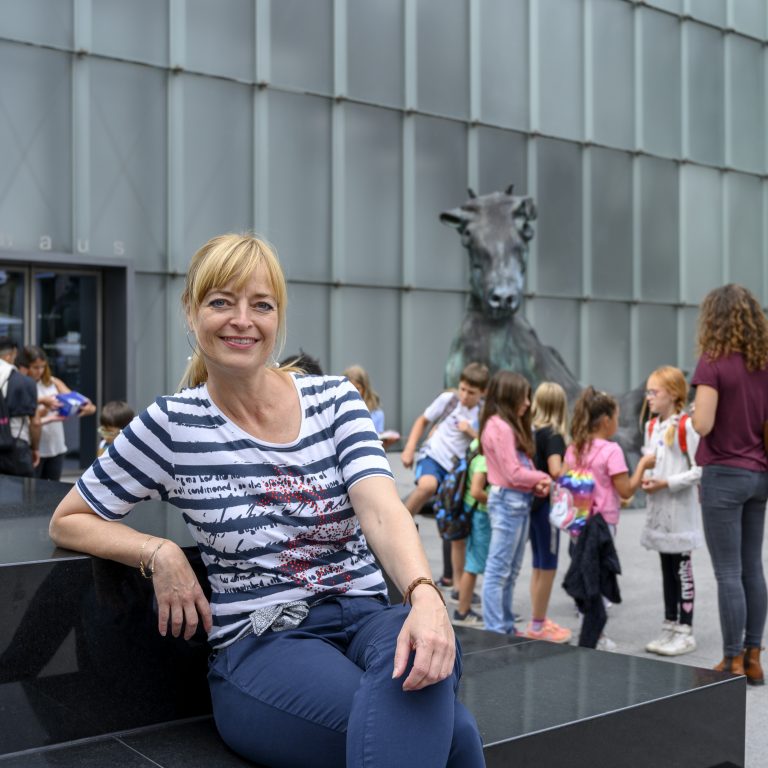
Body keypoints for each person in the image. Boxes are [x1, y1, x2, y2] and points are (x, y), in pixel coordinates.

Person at [49, 233, 484, 767]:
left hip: (370, 616)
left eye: (261, 305)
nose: (242, 320)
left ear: (279, 317)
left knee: (427, 670)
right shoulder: (172, 425)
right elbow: (69, 519)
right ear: (191, 310)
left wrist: (424, 596)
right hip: (264, 641)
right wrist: (157, 552)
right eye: (221, 302)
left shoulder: (335, 400)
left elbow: (381, 508)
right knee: (453, 732)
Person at [690, 284, 768, 683]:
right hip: (759, 474)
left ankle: (732, 660)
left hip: (723, 474)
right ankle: (754, 658)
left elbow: (703, 424)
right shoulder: (763, 363)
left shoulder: (713, 362)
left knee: (728, 572)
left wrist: (692, 413)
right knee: (753, 566)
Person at [564, 387, 654, 649]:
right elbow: (625, 489)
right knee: (600, 577)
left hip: (578, 522)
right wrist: (642, 466)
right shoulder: (611, 451)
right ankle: (596, 635)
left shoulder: (575, 448)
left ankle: (587, 625)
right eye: (616, 417)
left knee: (585, 573)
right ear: (605, 421)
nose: (618, 422)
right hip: (602, 524)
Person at [402, 363, 489, 589]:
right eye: (462, 389)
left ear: (482, 392)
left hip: (455, 471)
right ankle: (399, 522)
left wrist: (471, 431)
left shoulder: (483, 412)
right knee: (427, 486)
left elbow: (486, 442)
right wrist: (410, 448)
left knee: (454, 523)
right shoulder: (448, 400)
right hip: (433, 457)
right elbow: (423, 420)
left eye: (471, 392)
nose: (464, 396)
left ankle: (457, 583)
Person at [479, 370, 550, 635]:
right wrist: (543, 478)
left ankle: (504, 626)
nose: (528, 403)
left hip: (514, 501)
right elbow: (512, 473)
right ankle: (496, 629)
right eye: (523, 397)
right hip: (509, 502)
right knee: (499, 571)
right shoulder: (501, 427)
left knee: (508, 570)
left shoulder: (499, 425)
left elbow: (515, 472)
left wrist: (534, 483)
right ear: (508, 396)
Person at [640, 366, 702, 657]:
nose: (649, 397)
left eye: (654, 392)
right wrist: (648, 478)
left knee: (682, 569)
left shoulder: (686, 426)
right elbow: (651, 460)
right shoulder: (651, 426)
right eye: (648, 392)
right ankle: (670, 623)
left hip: (680, 513)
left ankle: (685, 629)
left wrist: (667, 482)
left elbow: (699, 469)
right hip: (660, 512)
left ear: (673, 394)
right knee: (666, 568)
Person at [523, 382, 572, 643]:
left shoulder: (532, 431)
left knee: (537, 564)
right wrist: (570, 463)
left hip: (533, 505)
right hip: (548, 508)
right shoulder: (553, 435)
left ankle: (537, 617)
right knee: (548, 565)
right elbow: (556, 470)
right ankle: (538, 624)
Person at [23, 345, 96, 481]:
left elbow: (79, 401)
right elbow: (26, 417)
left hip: (56, 446)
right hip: (33, 447)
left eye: (42, 366)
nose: (39, 371)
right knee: (32, 488)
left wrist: (86, 407)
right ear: (26, 367)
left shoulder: (53, 382)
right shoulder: (22, 385)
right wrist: (45, 408)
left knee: (53, 488)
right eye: (35, 367)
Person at [452, 438, 489, 627]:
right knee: (474, 564)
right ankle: (463, 611)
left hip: (470, 509)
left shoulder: (475, 442)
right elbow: (476, 491)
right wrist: (498, 500)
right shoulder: (485, 456)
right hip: (480, 514)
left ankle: (463, 607)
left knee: (471, 558)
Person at [0, 336, 41, 477]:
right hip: (16, 448)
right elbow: (35, 423)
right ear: (12, 353)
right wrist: (35, 448)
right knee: (23, 489)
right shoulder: (24, 382)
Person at [343, 364, 400, 449]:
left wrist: (387, 443)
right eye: (350, 389)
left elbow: (379, 445)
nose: (353, 392)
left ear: (365, 388)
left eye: (357, 389)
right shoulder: (340, 410)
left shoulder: (376, 413)